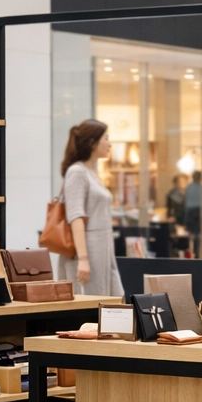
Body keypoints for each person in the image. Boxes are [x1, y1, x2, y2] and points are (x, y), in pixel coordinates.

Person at [58, 119, 124, 297]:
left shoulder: (91, 172)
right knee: (93, 308)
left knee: (113, 305)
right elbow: (75, 216)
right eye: (106, 138)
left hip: (102, 250)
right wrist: (83, 259)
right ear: (92, 142)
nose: (109, 144)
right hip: (88, 251)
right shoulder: (77, 172)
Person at [183, 170, 202, 255]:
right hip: (198, 211)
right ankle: (196, 252)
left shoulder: (189, 187)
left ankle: (192, 252)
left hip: (191, 211)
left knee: (192, 234)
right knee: (197, 234)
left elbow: (186, 202)